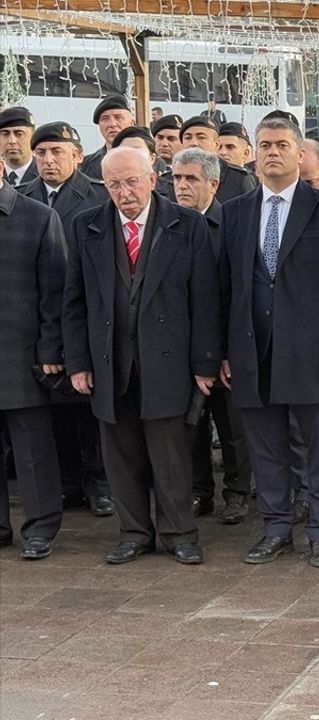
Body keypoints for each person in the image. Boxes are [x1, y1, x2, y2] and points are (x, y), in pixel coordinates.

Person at [62, 146, 219, 565]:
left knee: (171, 457)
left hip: (168, 361)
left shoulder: (186, 225)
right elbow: (74, 300)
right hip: (111, 362)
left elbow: (205, 299)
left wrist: (205, 363)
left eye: (132, 181)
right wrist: (78, 362)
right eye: (114, 184)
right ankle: (133, 533)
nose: (124, 191)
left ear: (153, 179)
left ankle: (180, 533)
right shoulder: (86, 226)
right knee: (121, 456)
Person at [220, 117, 319, 568]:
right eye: (264, 145)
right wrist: (222, 351)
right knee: (266, 449)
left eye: (281, 144)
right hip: (252, 349)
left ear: (300, 154)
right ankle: (276, 527)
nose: (272, 152)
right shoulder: (237, 211)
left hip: (312, 353)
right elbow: (225, 287)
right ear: (253, 154)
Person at [22, 122, 115, 518]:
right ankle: (69, 482)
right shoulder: (24, 200)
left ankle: (101, 484)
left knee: (90, 411)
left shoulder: (96, 195)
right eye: (41, 153)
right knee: (55, 412)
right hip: (42, 322)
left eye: (57, 152)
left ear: (77, 155)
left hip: (87, 318)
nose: (48, 160)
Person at [170, 147, 252, 525]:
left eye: (192, 179)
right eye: (177, 178)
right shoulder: (167, 223)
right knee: (191, 427)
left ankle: (238, 493)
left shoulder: (232, 224)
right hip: (181, 347)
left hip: (225, 346)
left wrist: (228, 350)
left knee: (234, 427)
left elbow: (239, 293)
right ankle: (199, 492)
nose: (182, 187)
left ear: (213, 184)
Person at [0, 173, 66, 559]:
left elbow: (55, 294)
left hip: (21, 355)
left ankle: (41, 527)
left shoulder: (37, 216)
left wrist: (50, 352)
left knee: (33, 450)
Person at [180, 116, 257, 203]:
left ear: (216, 144)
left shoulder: (239, 180)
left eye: (201, 137)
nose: (193, 143)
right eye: (188, 138)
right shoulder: (169, 179)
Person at [80, 94, 134, 179]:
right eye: (105, 119)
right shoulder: (85, 165)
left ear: (132, 123)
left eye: (118, 117)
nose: (112, 124)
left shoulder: (149, 160)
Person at [1, 106, 38, 187]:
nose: (12, 141)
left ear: (33, 137)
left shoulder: (45, 175)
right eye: (5, 134)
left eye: (19, 134)